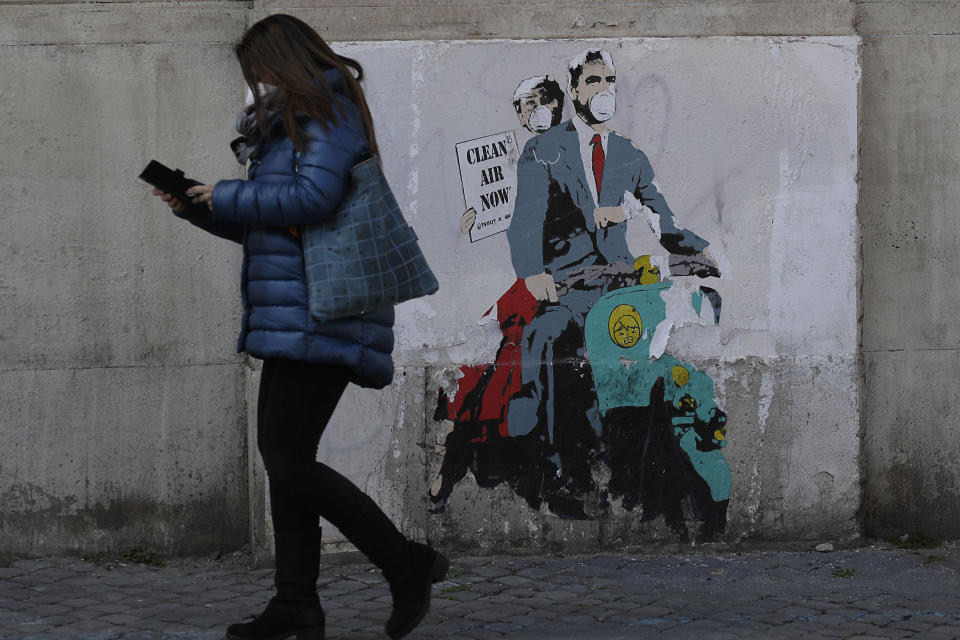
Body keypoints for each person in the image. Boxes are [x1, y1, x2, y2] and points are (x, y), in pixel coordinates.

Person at [150, 14, 447, 640]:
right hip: (296, 313)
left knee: (288, 462)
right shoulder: (288, 127)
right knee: (285, 459)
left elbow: (314, 201)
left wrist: (225, 193)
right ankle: (295, 604)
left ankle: (406, 563)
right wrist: (197, 207)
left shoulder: (327, 112)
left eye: (260, 72)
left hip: (326, 310)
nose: (257, 85)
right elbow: (276, 228)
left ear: (283, 62)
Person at [505, 48, 717, 504]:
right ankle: (563, 465)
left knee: (646, 361)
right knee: (555, 341)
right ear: (575, 89)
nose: (603, 91)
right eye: (594, 81)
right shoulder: (543, 150)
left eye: (609, 81)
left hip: (618, 287)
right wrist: (532, 274)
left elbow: (662, 215)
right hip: (567, 287)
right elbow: (524, 222)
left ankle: (634, 470)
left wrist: (697, 253)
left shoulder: (627, 153)